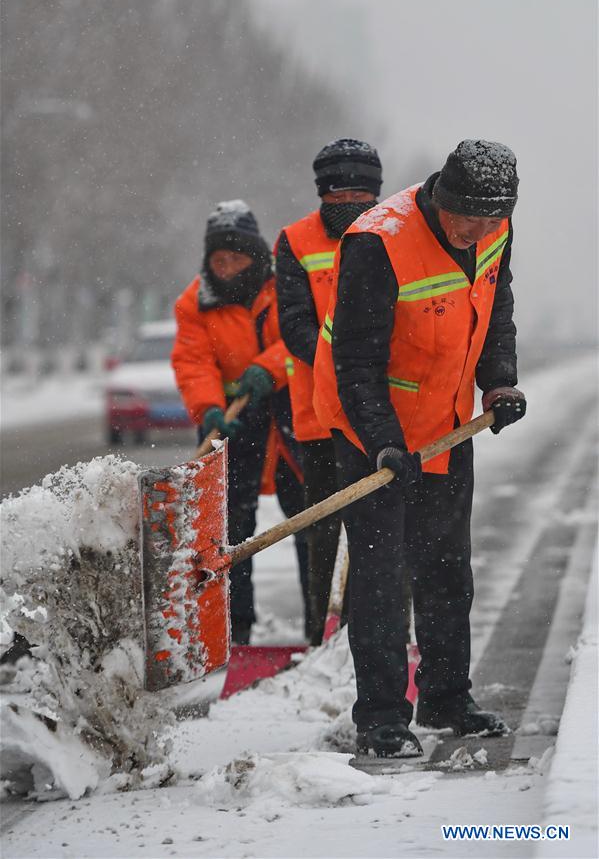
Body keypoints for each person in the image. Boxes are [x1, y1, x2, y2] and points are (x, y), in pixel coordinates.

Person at [313, 140, 527, 757]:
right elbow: (354, 362)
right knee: (381, 579)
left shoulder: (494, 228)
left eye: (493, 221)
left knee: (446, 569)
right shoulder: (377, 243)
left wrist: (499, 380)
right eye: (471, 221)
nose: (480, 233)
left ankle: (445, 696)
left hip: (447, 425)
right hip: (372, 431)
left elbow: (495, 310)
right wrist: (383, 442)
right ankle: (381, 716)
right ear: (440, 200)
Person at [171, 200, 308, 645]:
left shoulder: (285, 286)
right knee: (227, 528)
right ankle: (235, 628)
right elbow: (193, 361)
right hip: (230, 421)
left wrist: (268, 368)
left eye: (237, 257)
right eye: (218, 259)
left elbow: (303, 337)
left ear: (256, 256)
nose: (227, 267)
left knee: (305, 516)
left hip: (290, 411)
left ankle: (318, 626)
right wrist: (209, 408)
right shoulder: (196, 302)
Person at [275, 138, 384, 644]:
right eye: (338, 198)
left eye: (360, 197)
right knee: (323, 531)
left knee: (382, 536)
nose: (349, 206)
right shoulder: (294, 241)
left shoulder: (394, 235)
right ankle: (320, 635)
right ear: (322, 195)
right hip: (319, 416)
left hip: (381, 416)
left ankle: (380, 636)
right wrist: (348, 358)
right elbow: (294, 324)